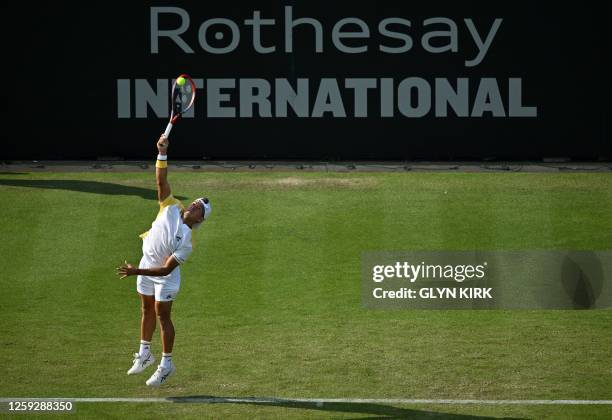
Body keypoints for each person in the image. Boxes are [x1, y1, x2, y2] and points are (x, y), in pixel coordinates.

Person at [116, 134, 211, 387]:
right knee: (145, 309)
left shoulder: (187, 241)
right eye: (195, 202)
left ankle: (167, 364)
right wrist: (162, 152)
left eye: (199, 208)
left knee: (162, 316)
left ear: (200, 219)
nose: (194, 205)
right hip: (145, 265)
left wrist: (137, 271)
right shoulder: (169, 206)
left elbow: (166, 269)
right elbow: (161, 180)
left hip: (164, 277)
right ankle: (145, 353)